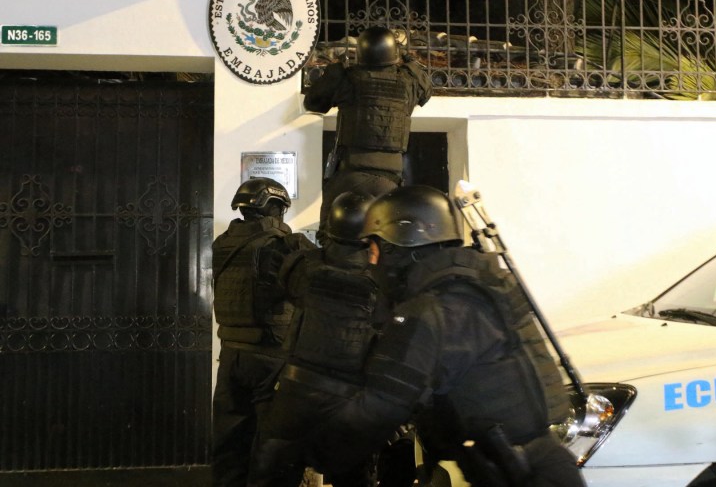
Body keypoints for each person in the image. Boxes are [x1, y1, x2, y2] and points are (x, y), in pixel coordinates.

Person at [301, 185, 587, 487]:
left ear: (397, 247)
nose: (372, 262)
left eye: (373, 250)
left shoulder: (433, 310)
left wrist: (312, 451)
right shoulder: (482, 283)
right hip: (539, 463)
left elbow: (382, 404)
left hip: (516, 473)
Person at [248, 190, 396, 487]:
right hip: (347, 402)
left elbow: (290, 289)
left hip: (294, 393)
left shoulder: (304, 265)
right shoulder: (383, 282)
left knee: (271, 476)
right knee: (353, 477)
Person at [211, 178, 315, 487]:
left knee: (230, 445)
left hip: (231, 356)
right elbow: (312, 291)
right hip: (271, 357)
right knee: (275, 450)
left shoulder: (222, 244)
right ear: (275, 208)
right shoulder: (280, 245)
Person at [303, 26, 433, 243]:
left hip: (351, 175)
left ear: (361, 53)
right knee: (387, 243)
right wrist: (409, 60)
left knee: (331, 236)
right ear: (393, 54)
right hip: (391, 179)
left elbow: (313, 102)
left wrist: (336, 70)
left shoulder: (349, 79)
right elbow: (426, 89)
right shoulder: (409, 82)